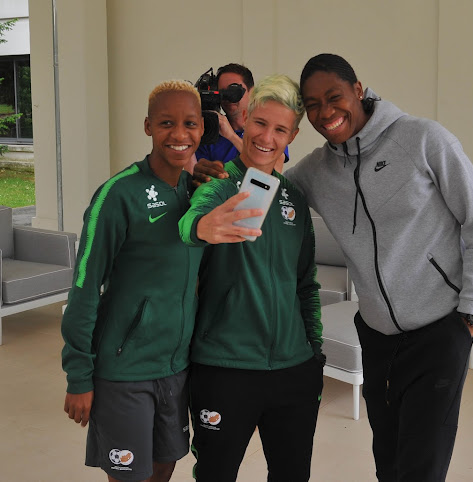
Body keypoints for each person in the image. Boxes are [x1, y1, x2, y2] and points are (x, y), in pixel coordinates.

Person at [193, 54, 473, 482]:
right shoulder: (317, 171)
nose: (326, 112)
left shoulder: (423, 139)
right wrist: (209, 173)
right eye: (314, 105)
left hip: (438, 330)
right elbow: (267, 174)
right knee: (388, 460)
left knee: (422, 465)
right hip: (376, 336)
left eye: (334, 97)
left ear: (358, 89)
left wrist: (470, 314)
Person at [179, 74, 324, 482]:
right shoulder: (217, 185)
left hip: (293, 370)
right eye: (259, 123)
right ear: (244, 121)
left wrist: (314, 355)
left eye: (280, 129)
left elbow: (305, 284)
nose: (267, 137)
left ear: (293, 134)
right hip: (225, 368)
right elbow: (190, 224)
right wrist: (201, 227)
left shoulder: (294, 198)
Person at [61, 80, 205, 482]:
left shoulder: (197, 195)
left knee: (165, 466)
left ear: (201, 130)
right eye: (166, 123)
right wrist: (79, 376)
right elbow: (84, 289)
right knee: (128, 477)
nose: (179, 134)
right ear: (147, 127)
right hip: (124, 370)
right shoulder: (117, 196)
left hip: (176, 368)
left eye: (189, 123)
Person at [193, 63, 289, 173]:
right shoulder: (211, 130)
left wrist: (232, 137)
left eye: (234, 90)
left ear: (252, 92)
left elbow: (274, 171)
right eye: (222, 92)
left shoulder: (269, 128)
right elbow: (196, 176)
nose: (228, 97)